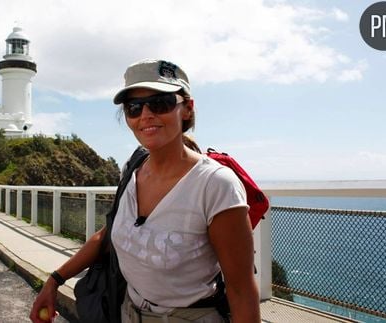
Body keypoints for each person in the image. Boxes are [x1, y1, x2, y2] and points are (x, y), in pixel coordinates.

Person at [30, 59, 260, 322]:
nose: (146, 115)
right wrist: (54, 281)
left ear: (186, 109)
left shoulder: (215, 185)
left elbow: (242, 291)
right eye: (134, 108)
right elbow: (107, 236)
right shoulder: (133, 167)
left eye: (160, 103)